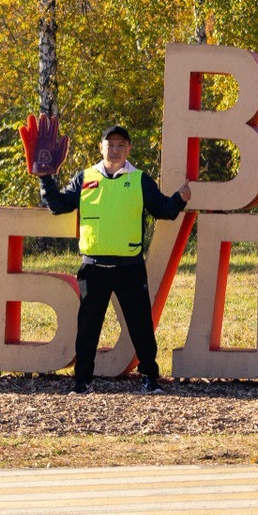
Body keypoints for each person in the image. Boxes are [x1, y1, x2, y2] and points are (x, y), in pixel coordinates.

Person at [39, 125, 191, 394]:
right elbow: (58, 206)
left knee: (141, 326)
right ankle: (83, 381)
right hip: (93, 267)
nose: (116, 149)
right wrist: (45, 178)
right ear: (101, 147)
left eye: (122, 145)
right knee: (87, 329)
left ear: (129, 149)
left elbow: (163, 211)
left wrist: (180, 199)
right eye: (111, 144)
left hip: (129, 267)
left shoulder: (140, 180)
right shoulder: (84, 178)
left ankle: (150, 379)